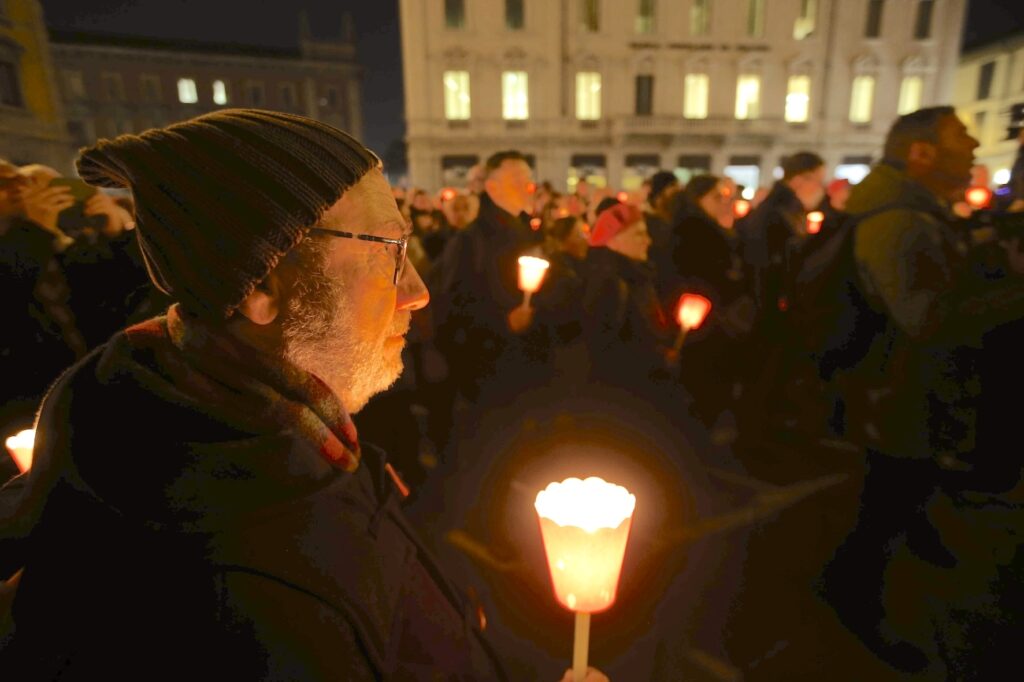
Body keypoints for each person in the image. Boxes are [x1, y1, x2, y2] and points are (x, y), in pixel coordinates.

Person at [0, 110, 605, 681]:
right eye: (390, 251)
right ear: (261, 281)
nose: (417, 290)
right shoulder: (233, 595)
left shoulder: (271, 433)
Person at [821, 106, 1024, 674]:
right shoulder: (896, 219)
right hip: (896, 400)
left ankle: (881, 570)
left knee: (895, 499)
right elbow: (927, 319)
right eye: (961, 136)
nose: (977, 143)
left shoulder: (915, 212)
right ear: (922, 154)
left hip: (906, 396)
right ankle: (856, 601)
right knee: (882, 506)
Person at [429, 149, 542, 401]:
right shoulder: (471, 240)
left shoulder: (527, 231)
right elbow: (449, 308)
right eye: (518, 180)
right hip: (490, 372)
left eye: (529, 178)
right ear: (492, 188)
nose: (528, 186)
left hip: (526, 367)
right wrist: (503, 321)